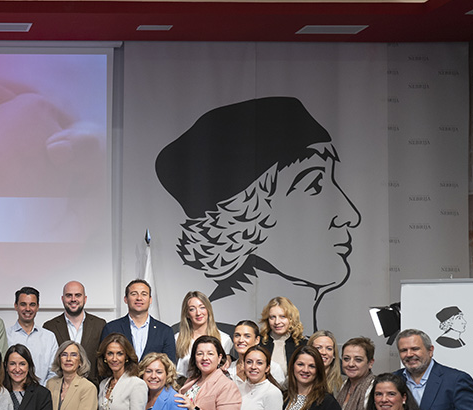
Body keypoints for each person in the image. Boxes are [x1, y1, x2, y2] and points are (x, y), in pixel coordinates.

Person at [155, 97, 362, 332]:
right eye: (314, 184)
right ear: (243, 215)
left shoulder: (300, 341)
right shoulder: (214, 340)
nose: (351, 216)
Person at [42, 281, 107, 383]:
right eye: (69, 295)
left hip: (92, 387)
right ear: (62, 299)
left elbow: (103, 360)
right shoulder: (50, 327)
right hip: (60, 387)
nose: (73, 299)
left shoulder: (99, 325)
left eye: (78, 295)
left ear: (85, 299)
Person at [101, 279, 176, 362]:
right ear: (126, 299)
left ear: (150, 299)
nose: (139, 298)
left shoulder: (165, 331)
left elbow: (170, 365)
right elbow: (103, 362)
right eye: (134, 294)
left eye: (144, 294)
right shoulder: (111, 328)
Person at [8, 287, 60, 383]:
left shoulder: (49, 337)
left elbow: (54, 371)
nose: (28, 309)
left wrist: (41, 391)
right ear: (16, 306)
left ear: (37, 307)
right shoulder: (6, 336)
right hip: (11, 391)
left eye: (32, 305)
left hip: (42, 391)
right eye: (23, 304)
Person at [174, 291, 233, 376]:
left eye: (202, 307)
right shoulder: (177, 339)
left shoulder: (224, 339)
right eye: (192, 309)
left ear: (208, 310)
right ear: (187, 314)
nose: (198, 313)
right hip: (183, 383)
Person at [228, 319, 286, 384]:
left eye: (247, 336)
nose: (241, 340)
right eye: (237, 335)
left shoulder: (274, 368)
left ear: (257, 340)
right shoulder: (228, 368)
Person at [259, 297, 304, 370]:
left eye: (282, 316)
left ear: (291, 318)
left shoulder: (302, 345)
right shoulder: (259, 343)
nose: (277, 322)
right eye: (272, 317)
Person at [309, 330, 345, 396]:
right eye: (318, 348)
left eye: (329, 348)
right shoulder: (297, 380)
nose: (324, 352)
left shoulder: (345, 383)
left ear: (334, 354)